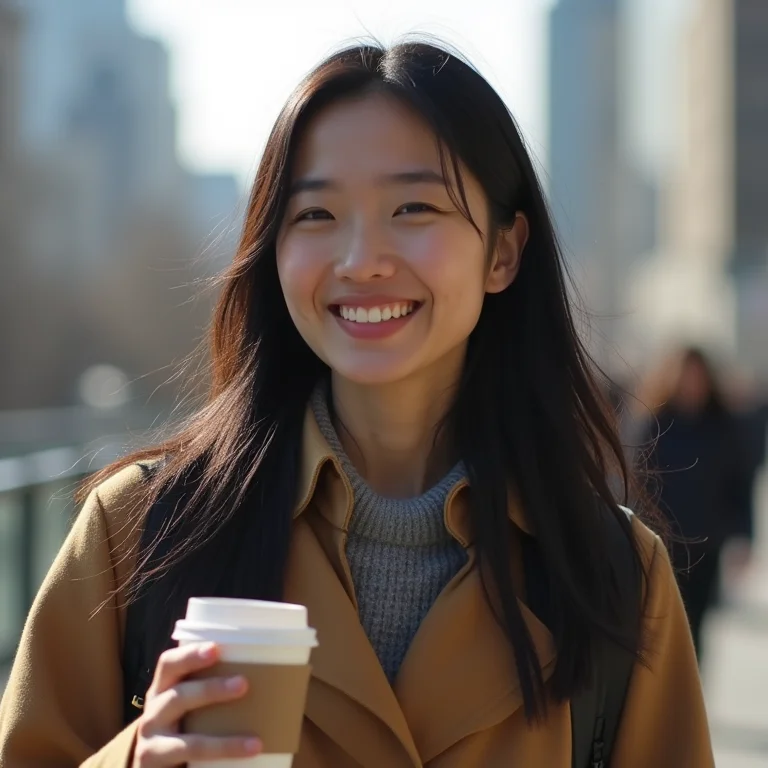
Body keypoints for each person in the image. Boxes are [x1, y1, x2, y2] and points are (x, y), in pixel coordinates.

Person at [0, 40, 713, 767]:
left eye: (413, 208)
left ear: (503, 252)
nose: (361, 260)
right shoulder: (139, 533)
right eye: (316, 214)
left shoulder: (613, 574)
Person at [636, 346, 753, 657]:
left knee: (695, 623)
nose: (693, 384)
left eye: (698, 377)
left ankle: (691, 682)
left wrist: (744, 535)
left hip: (706, 544)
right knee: (659, 622)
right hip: (662, 542)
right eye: (687, 377)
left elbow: (740, 483)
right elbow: (639, 484)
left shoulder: (724, 427)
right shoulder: (657, 424)